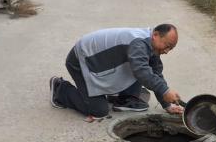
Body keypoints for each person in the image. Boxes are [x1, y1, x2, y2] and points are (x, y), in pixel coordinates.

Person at [49, 24, 184, 118]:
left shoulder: (151, 46)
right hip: (81, 60)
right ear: (155, 35)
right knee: (99, 110)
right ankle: (60, 89)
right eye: (167, 45)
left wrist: (167, 105)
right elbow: (141, 71)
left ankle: (124, 99)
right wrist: (165, 91)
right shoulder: (139, 43)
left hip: (101, 63)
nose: (167, 51)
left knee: (143, 68)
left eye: (170, 48)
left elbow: (155, 74)